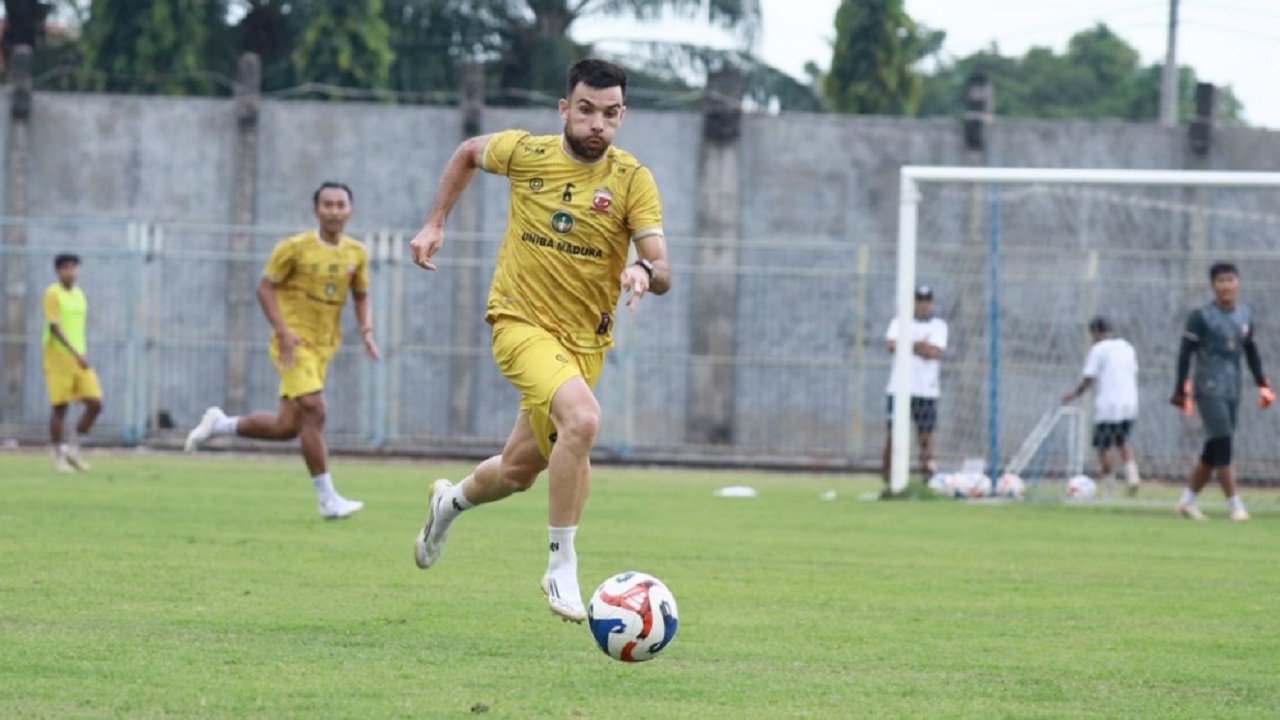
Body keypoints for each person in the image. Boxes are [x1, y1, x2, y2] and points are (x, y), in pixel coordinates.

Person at [407, 58, 672, 624]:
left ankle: (447, 503)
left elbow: (663, 265)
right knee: (583, 419)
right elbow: (467, 153)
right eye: (586, 109)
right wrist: (435, 222)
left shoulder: (631, 180)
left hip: (583, 346)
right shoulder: (526, 152)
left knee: (518, 471)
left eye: (610, 113)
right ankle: (561, 565)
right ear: (565, 109)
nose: (597, 123)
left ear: (622, 116)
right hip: (517, 322)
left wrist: (644, 273)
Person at [184, 181, 380, 519]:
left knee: (287, 426)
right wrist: (283, 332)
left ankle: (221, 425)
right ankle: (327, 499)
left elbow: (361, 294)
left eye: (340, 205)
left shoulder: (356, 253)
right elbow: (264, 288)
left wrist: (366, 329)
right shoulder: (294, 248)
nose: (334, 211)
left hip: (324, 345)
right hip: (293, 343)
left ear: (350, 210)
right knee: (315, 409)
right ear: (316, 209)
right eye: (327, 205)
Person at [1169, 262, 1273, 522]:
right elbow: (1185, 353)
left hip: (1232, 387)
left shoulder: (1245, 315)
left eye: (1230, 280)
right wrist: (1180, 388)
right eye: (1221, 281)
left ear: (1238, 283)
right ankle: (1235, 505)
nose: (1226, 285)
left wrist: (1262, 383)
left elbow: (1251, 351)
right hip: (1208, 386)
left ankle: (1187, 501)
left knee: (1214, 447)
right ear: (1213, 286)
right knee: (1223, 440)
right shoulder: (1201, 316)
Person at [1062, 316, 1141, 495]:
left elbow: (1088, 379)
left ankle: (1108, 487)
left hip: (1108, 405)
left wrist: (1073, 394)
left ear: (1095, 333)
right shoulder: (1127, 347)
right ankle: (1132, 475)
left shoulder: (1099, 350)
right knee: (1122, 441)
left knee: (1103, 446)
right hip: (1129, 403)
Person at [882, 285, 948, 488]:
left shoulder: (938, 325)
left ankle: (927, 478)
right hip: (899, 388)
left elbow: (934, 352)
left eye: (925, 301)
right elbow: (892, 346)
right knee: (894, 434)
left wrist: (908, 344)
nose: (922, 305)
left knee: (925, 437)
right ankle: (888, 478)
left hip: (925, 390)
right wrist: (919, 345)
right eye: (918, 301)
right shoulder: (899, 322)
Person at [42, 253, 103, 471]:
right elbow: (55, 327)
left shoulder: (79, 294)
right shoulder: (52, 293)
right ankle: (57, 453)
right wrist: (75, 352)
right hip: (59, 355)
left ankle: (73, 448)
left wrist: (80, 352)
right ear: (58, 271)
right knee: (60, 407)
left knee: (95, 403)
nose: (70, 271)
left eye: (73, 267)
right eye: (65, 268)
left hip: (79, 356)